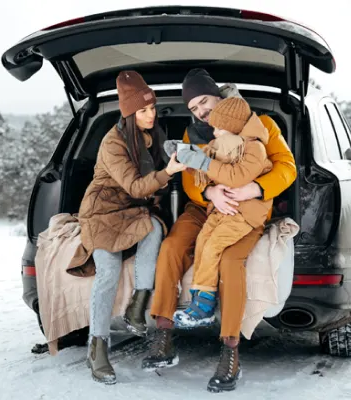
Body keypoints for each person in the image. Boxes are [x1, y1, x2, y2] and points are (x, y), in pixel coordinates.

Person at [141, 68, 296, 393]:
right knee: (171, 247)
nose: (200, 111)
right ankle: (163, 334)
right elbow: (188, 180)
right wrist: (210, 193)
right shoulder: (191, 134)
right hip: (203, 208)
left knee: (229, 261)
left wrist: (256, 188)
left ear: (219, 95)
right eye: (194, 107)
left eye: (204, 101)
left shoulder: (262, 125)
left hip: (243, 207)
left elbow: (287, 167)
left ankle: (230, 351)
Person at [78, 70, 187, 385]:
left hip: (133, 212)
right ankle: (97, 348)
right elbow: (136, 186)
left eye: (152, 108)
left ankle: (137, 307)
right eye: (143, 110)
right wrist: (168, 171)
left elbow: (150, 191)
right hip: (102, 213)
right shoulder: (113, 143)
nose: (151, 114)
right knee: (108, 272)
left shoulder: (152, 136)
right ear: (128, 113)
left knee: (155, 228)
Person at [171, 96, 273, 329]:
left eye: (219, 128)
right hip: (222, 209)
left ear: (233, 125)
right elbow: (209, 160)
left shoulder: (254, 147)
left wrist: (204, 164)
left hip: (245, 212)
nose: (214, 133)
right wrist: (188, 156)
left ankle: (205, 306)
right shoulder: (227, 144)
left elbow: (237, 176)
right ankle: (199, 296)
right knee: (203, 241)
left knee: (215, 244)